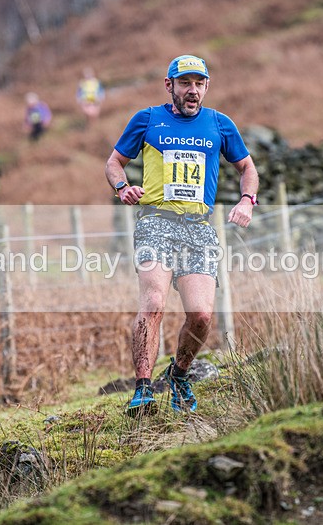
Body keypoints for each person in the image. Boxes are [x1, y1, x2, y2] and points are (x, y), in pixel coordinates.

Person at [104, 54, 259, 417]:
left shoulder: (219, 124)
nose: (193, 91)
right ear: (169, 85)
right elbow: (114, 163)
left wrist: (248, 200)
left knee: (202, 315)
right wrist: (123, 187)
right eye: (185, 83)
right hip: (156, 221)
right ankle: (143, 389)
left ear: (207, 87)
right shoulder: (147, 119)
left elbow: (247, 167)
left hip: (199, 227)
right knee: (154, 302)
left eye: (199, 84)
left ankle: (178, 375)